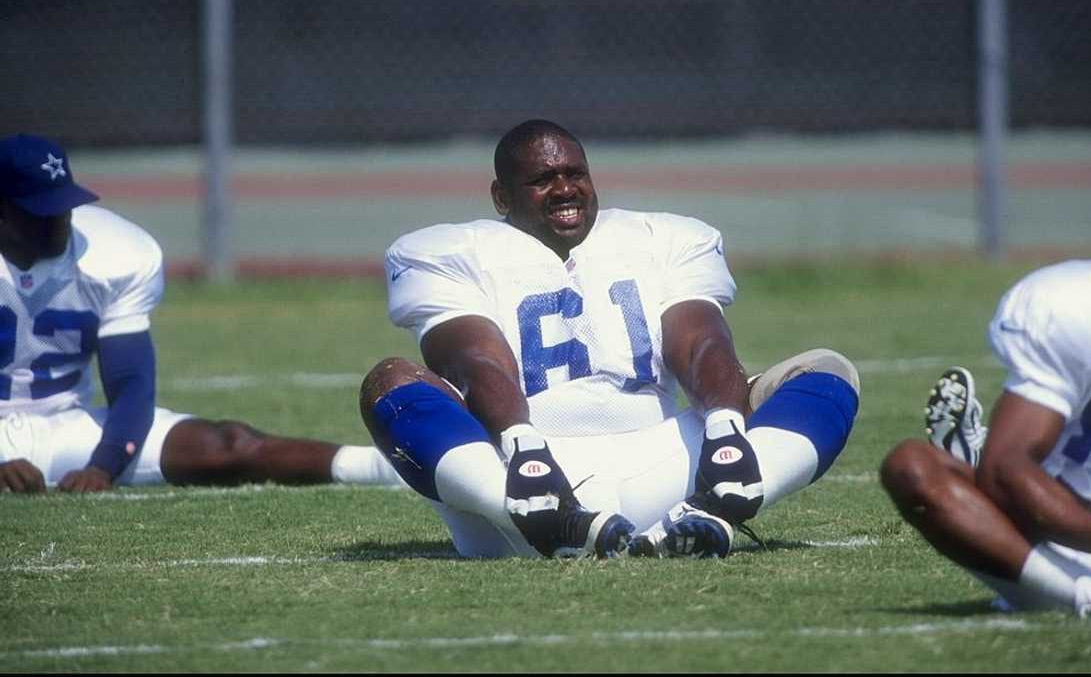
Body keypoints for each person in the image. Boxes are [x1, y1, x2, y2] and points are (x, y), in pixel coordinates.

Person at [358, 119, 861, 559]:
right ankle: (558, 523)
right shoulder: (446, 250)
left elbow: (700, 340)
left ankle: (715, 510)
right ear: (501, 197)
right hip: (518, 484)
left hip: (665, 466)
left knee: (826, 370)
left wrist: (725, 428)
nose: (564, 189)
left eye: (575, 174)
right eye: (541, 180)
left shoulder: (664, 237)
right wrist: (523, 446)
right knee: (391, 381)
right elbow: (474, 358)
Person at [0, 133, 401, 493]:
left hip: (67, 424)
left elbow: (132, 387)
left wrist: (103, 465)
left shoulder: (115, 252)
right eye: (40, 214)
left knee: (229, 444)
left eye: (64, 207)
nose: (59, 224)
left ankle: (384, 468)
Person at [880, 258, 1091, 618]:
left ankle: (1083, 598)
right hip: (1059, 521)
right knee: (912, 467)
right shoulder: (1082, 309)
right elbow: (1006, 471)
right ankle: (1088, 596)